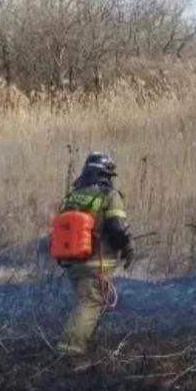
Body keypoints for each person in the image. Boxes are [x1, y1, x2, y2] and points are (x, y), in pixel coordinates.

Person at [55, 152, 134, 366]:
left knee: (90, 302)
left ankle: (86, 345)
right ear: (106, 174)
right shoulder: (109, 195)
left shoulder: (73, 196)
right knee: (90, 303)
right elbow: (118, 229)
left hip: (73, 263)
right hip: (96, 262)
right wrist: (128, 249)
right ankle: (71, 353)